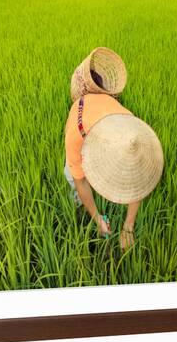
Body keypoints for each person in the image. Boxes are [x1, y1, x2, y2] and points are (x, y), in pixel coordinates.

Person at [64, 91, 164, 251]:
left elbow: (137, 181)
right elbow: (80, 180)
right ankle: (80, 204)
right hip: (82, 120)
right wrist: (97, 219)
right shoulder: (75, 136)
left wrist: (128, 227)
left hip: (107, 112)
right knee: (72, 176)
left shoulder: (133, 134)